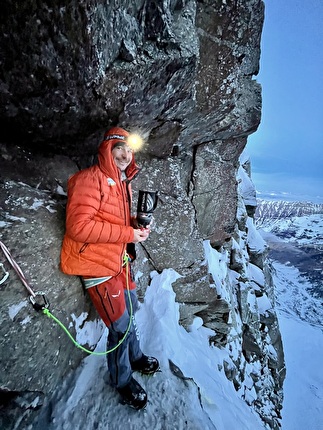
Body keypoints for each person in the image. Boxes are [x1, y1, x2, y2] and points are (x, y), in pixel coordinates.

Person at [60, 126, 159, 410]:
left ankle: (136, 356)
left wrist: (136, 226)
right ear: (107, 150)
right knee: (120, 326)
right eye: (120, 149)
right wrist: (128, 235)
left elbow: (113, 220)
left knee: (132, 311)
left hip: (119, 261)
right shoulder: (88, 180)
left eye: (130, 151)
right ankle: (122, 379)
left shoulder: (121, 183)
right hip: (97, 266)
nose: (126, 155)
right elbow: (78, 227)